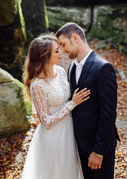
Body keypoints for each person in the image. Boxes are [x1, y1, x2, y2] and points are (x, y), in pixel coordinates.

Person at [21, 34, 91, 179]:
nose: (61, 52)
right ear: (44, 55)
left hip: (70, 130)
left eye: (60, 49)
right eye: (57, 51)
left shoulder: (60, 71)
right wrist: (72, 103)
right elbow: (46, 122)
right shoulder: (37, 85)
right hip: (54, 137)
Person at [56, 22, 120, 179]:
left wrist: (98, 151)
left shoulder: (103, 68)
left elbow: (108, 113)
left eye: (63, 45)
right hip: (79, 147)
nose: (63, 51)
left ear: (75, 38)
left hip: (98, 148)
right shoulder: (71, 68)